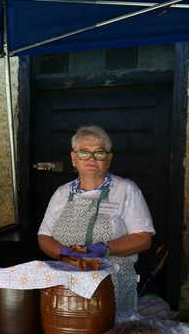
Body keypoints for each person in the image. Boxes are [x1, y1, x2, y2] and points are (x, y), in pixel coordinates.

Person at [37, 125, 154, 319]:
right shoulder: (61, 193)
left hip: (112, 286)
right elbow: (44, 237)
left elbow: (143, 238)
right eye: (84, 152)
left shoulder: (126, 189)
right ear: (74, 158)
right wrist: (63, 252)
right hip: (66, 287)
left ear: (109, 159)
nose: (91, 159)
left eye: (99, 153)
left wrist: (106, 248)